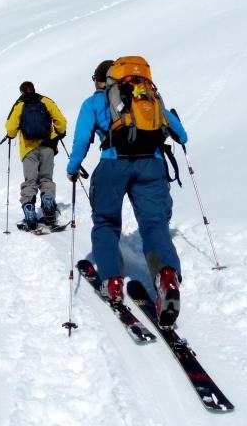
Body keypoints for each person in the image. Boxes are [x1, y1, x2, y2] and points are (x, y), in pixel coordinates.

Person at [66, 58, 187, 327]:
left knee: (106, 222)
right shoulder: (145, 95)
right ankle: (166, 276)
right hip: (152, 164)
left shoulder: (94, 102)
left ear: (102, 81)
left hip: (113, 163)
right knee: (155, 224)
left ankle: (113, 281)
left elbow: (82, 140)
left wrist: (73, 168)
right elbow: (182, 134)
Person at [4, 81, 67, 230]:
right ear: (34, 89)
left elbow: (11, 130)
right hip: (48, 146)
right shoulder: (46, 101)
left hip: (28, 150)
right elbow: (61, 122)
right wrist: (60, 132)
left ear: (21, 92)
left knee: (30, 181)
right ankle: (48, 204)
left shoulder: (19, 105)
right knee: (46, 178)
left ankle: (29, 210)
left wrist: (11, 133)